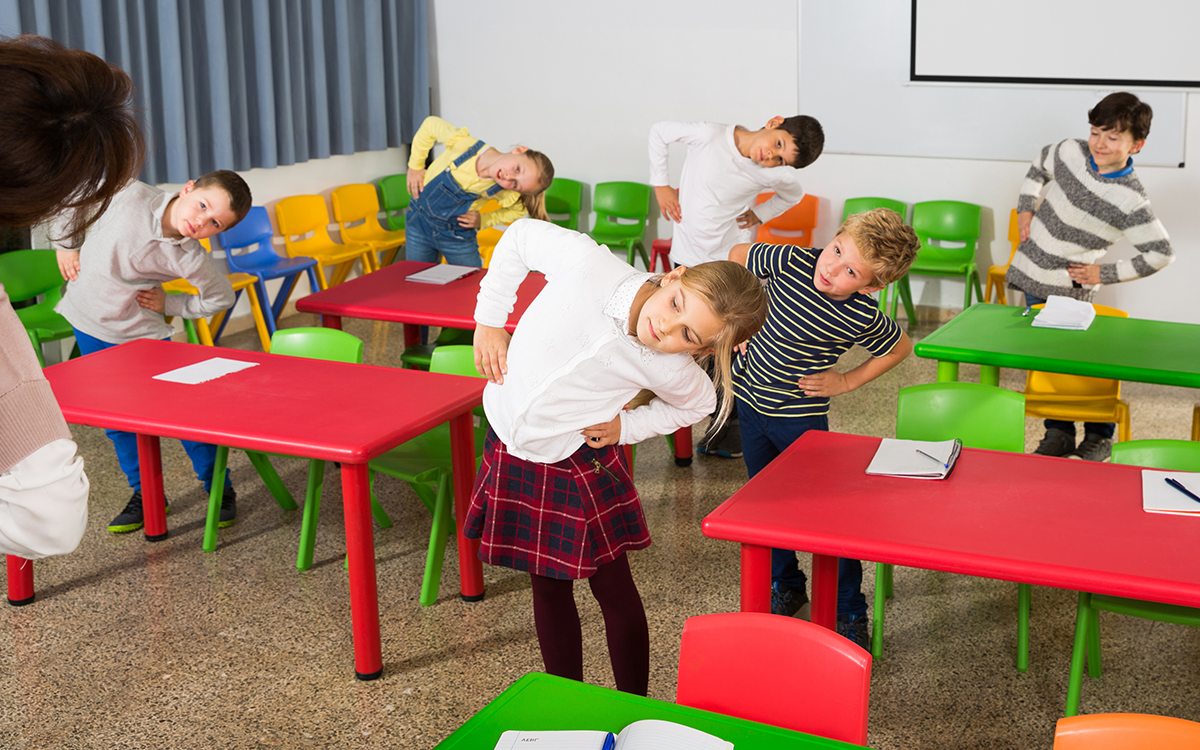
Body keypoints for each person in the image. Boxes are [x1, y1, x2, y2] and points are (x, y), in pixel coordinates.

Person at [466, 219, 768, 694]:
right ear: (674, 275)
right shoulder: (588, 264)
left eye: (687, 335)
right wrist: (488, 320)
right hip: (509, 441)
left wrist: (626, 427)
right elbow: (520, 235)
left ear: (704, 349)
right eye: (675, 305)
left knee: (612, 589)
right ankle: (568, 709)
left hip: (575, 463)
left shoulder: (668, 364)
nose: (664, 327)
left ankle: (633, 706)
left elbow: (698, 404)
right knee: (547, 586)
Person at [729, 207, 919, 649]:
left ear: (871, 285)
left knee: (827, 519)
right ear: (833, 237)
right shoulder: (792, 260)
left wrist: (846, 380)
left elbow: (899, 348)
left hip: (801, 424)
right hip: (751, 406)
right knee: (767, 505)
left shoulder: (860, 314)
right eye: (836, 250)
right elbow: (739, 253)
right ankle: (787, 583)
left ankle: (849, 608)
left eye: (850, 269)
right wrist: (738, 317)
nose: (831, 267)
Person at [0, 34, 145, 560]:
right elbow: (50, 521)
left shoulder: (158, 226)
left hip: (130, 334)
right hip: (86, 320)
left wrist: (173, 306)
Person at [54, 170, 252, 534]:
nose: (200, 222)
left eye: (214, 224)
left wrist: (171, 304)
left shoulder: (188, 256)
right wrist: (66, 244)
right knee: (118, 425)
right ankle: (146, 494)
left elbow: (221, 296)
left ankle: (219, 489)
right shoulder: (127, 193)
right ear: (188, 187)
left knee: (183, 418)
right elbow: (74, 192)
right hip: (89, 324)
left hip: (143, 339)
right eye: (203, 205)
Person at [1006, 92, 1174, 462]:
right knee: (1047, 360)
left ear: (1137, 144)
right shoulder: (1071, 151)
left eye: (1113, 137)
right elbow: (1039, 166)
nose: (1099, 143)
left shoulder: (1131, 200)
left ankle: (1099, 436)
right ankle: (1059, 432)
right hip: (1032, 275)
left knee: (1079, 362)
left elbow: (1161, 253)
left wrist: (1103, 272)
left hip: (1069, 291)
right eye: (1096, 131)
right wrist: (1025, 209)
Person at [648, 115, 824, 459]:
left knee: (723, 343)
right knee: (691, 341)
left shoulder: (773, 173)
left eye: (780, 160)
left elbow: (793, 192)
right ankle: (704, 414)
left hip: (727, 262)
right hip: (688, 257)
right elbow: (659, 132)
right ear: (775, 123)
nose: (769, 159)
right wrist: (661, 186)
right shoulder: (710, 136)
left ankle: (729, 425)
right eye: (777, 145)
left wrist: (762, 213)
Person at [405, 115, 555, 268]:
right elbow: (430, 125)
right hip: (418, 223)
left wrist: (484, 220)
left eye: (516, 184)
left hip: (457, 235)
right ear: (519, 150)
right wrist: (415, 166)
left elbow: (518, 210)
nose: (509, 177)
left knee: (472, 283)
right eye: (517, 169)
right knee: (417, 278)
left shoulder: (504, 191)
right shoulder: (465, 145)